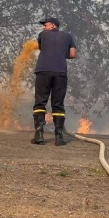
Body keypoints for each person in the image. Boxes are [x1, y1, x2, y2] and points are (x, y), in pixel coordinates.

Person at [31, 17, 77, 146]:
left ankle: (39, 135)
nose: (43, 27)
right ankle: (59, 137)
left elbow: (42, 48)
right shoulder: (68, 36)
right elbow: (73, 54)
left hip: (43, 71)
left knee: (40, 102)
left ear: (52, 25)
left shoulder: (42, 35)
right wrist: (62, 54)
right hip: (60, 73)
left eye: (45, 25)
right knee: (58, 104)